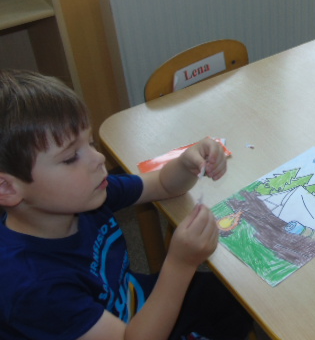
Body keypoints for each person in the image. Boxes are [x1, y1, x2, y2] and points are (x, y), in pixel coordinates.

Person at [0, 69, 252, 340]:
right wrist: (181, 264)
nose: (98, 158)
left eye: (90, 143)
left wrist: (187, 163)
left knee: (232, 297)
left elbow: (163, 185)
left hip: (134, 304)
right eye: (71, 157)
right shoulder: (32, 286)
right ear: (8, 188)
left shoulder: (87, 196)